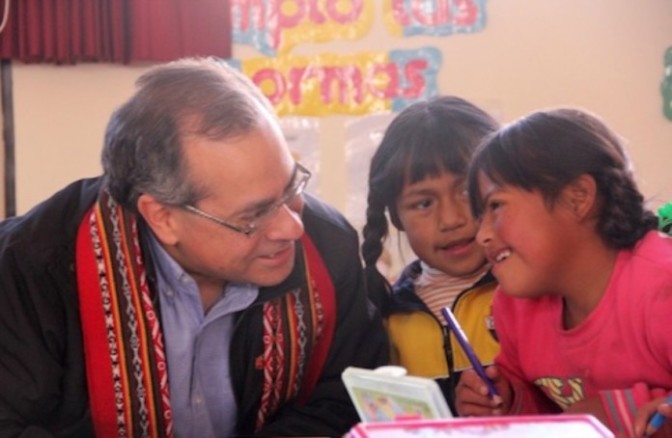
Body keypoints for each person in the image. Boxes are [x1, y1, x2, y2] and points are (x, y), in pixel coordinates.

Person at [0, 57, 389, 437]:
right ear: (163, 217)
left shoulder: (328, 245)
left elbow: (350, 396)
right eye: (254, 214)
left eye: (291, 188)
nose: (292, 226)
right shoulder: (32, 269)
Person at [455, 107, 672, 437]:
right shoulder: (514, 307)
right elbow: (545, 418)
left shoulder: (662, 285)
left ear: (578, 197)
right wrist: (509, 398)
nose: (482, 233)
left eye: (496, 205)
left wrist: (616, 412)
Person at [361, 96, 500, 413]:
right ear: (396, 216)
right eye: (423, 203)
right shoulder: (387, 316)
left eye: (466, 191)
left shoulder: (530, 293)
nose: (451, 219)